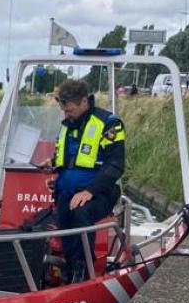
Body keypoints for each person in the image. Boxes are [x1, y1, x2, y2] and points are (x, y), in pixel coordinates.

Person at [42, 79, 126, 283]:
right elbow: (70, 156)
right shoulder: (68, 125)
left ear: (83, 102)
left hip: (99, 192)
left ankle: (83, 271)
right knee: (64, 218)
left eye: (69, 109)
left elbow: (115, 164)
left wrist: (90, 191)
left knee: (80, 212)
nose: (66, 114)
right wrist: (52, 162)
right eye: (63, 110)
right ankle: (70, 269)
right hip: (68, 190)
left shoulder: (109, 124)